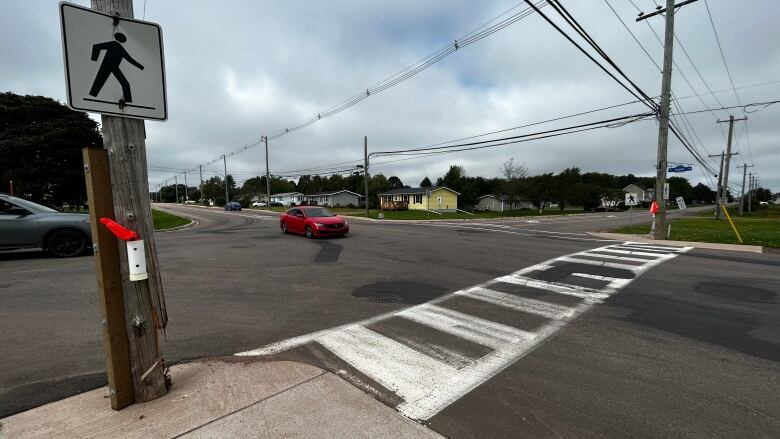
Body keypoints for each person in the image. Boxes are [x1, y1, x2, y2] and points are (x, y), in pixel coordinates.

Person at [89, 32, 144, 102]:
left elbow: (130, 59)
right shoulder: (114, 44)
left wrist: (142, 67)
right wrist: (94, 60)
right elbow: (96, 46)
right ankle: (91, 97)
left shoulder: (118, 47)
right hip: (106, 66)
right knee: (99, 82)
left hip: (113, 67)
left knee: (125, 84)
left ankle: (128, 101)